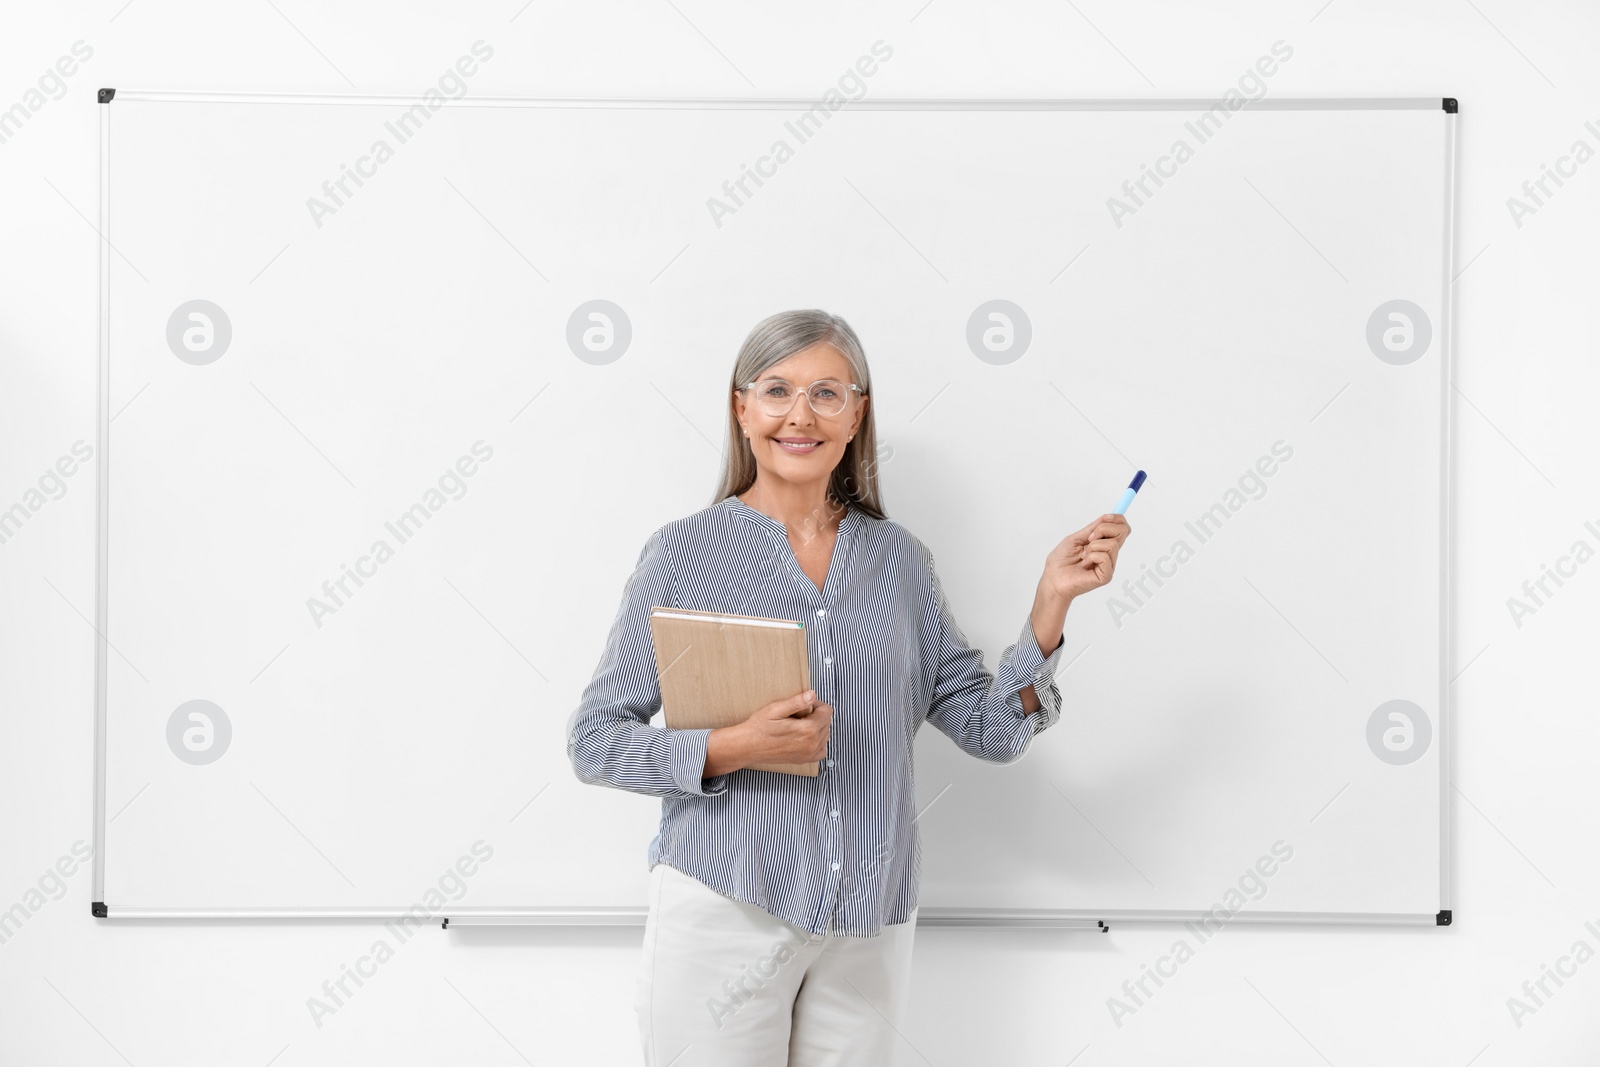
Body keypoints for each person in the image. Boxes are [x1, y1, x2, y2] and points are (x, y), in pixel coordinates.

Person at [566, 309, 1131, 1066]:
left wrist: (1049, 607)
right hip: (725, 902)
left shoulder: (900, 562)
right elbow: (594, 740)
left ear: (857, 412)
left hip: (868, 918)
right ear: (741, 407)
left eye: (827, 392)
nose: (800, 414)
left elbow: (992, 733)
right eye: (776, 390)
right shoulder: (682, 553)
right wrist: (734, 746)